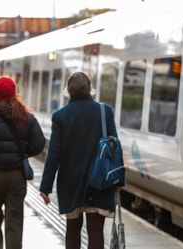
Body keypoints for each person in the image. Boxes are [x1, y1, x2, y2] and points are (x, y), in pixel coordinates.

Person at [39, 71, 124, 249]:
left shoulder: (60, 116)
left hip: (70, 183)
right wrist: (119, 180)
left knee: (72, 230)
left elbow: (54, 154)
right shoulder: (104, 111)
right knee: (95, 230)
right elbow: (114, 146)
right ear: (90, 89)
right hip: (99, 181)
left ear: (68, 90)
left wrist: (46, 187)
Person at [0, 76, 46, 249]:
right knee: (14, 221)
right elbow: (39, 143)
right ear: (14, 94)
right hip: (16, 175)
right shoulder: (27, 117)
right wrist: (23, 153)